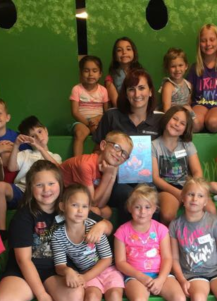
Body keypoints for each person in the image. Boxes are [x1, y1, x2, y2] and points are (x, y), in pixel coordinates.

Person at [0, 160, 112, 301]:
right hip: (24, 271)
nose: (46, 190)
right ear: (30, 188)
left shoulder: (71, 206)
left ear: (60, 184)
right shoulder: (24, 216)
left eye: (51, 184)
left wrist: (102, 225)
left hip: (57, 270)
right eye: (39, 185)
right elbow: (24, 261)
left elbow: (105, 223)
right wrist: (41, 295)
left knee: (76, 294)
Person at [114, 185, 187, 301]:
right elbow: (120, 262)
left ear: (155, 209)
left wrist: (161, 280)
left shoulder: (161, 229)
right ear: (130, 208)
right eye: (137, 207)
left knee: (180, 299)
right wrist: (140, 277)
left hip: (160, 274)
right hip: (135, 276)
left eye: (147, 207)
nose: (142, 212)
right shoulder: (122, 232)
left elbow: (168, 258)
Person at [52, 185, 125, 301]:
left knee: (114, 296)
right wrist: (68, 271)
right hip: (88, 274)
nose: (80, 211)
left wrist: (84, 278)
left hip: (108, 270)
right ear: (63, 206)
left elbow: (107, 259)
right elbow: (59, 265)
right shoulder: (58, 234)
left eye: (84, 206)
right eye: (74, 205)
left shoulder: (93, 226)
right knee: (91, 297)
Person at [93, 69, 164, 223]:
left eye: (141, 88)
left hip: (148, 180)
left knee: (150, 196)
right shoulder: (112, 116)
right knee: (131, 198)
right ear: (125, 93)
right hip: (116, 180)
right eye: (131, 89)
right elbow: (98, 150)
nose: (137, 94)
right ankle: (127, 243)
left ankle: (151, 243)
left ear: (150, 91)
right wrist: (106, 165)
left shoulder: (161, 120)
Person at [0, 116, 62, 240]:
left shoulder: (54, 156)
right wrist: (16, 146)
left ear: (46, 131)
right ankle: (2, 230)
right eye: (33, 136)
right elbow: (12, 167)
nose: (38, 137)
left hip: (42, 193)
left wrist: (41, 148)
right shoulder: (26, 154)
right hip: (22, 191)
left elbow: (57, 169)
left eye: (40, 131)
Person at [151, 106, 216, 225]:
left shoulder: (187, 145)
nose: (177, 124)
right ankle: (169, 242)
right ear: (166, 119)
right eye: (174, 119)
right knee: (167, 214)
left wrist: (190, 190)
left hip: (188, 187)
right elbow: (155, 178)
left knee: (211, 210)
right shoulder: (154, 146)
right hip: (167, 189)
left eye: (182, 123)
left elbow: (197, 172)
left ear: (185, 129)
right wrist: (178, 193)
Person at [61, 130, 133, 218]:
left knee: (107, 212)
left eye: (124, 154)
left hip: (79, 197)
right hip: (61, 198)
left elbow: (101, 204)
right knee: (95, 211)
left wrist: (112, 176)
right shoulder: (85, 165)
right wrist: (107, 176)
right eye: (117, 147)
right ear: (103, 145)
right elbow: (93, 202)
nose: (119, 154)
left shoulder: (108, 167)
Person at [70, 55, 108, 156]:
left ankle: (95, 160)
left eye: (94, 71)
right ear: (81, 73)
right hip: (81, 122)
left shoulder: (103, 90)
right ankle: (77, 161)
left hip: (97, 122)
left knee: (104, 133)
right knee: (80, 133)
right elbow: (75, 112)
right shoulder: (76, 89)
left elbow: (106, 112)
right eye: (86, 70)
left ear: (100, 74)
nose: (90, 74)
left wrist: (97, 119)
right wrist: (87, 123)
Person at [105, 37, 144, 107]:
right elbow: (117, 104)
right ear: (115, 55)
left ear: (134, 52)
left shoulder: (142, 74)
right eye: (119, 50)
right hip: (122, 112)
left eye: (128, 49)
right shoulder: (110, 79)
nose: (124, 52)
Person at [159, 48, 193, 115]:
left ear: (186, 66)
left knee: (197, 122)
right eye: (173, 66)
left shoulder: (188, 84)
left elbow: (188, 103)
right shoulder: (168, 86)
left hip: (185, 114)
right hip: (172, 115)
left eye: (180, 65)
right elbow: (166, 110)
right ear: (167, 68)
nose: (177, 69)